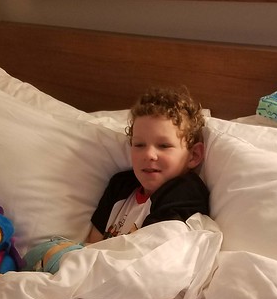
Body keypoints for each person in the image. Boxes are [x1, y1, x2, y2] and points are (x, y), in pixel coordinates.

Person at [23, 86, 210, 274]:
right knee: (39, 253)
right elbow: (93, 243)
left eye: (164, 145)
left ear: (194, 155)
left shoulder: (185, 191)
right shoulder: (121, 185)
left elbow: (152, 252)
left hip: (133, 273)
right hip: (95, 269)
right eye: (139, 145)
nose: (149, 154)